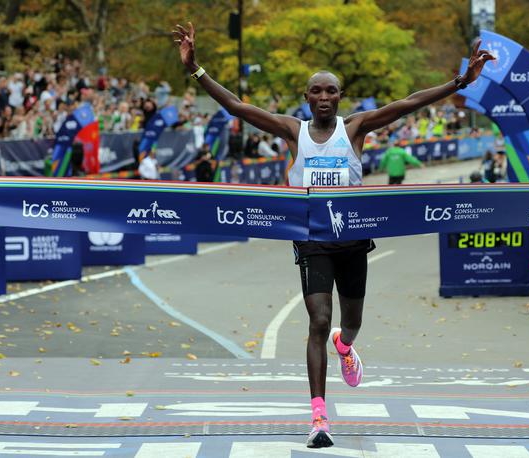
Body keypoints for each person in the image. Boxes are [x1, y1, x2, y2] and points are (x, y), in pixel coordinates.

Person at [173, 21, 493, 449]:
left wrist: (460, 81)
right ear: (306, 98)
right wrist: (195, 69)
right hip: (312, 240)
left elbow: (409, 103)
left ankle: (346, 345)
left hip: (354, 239)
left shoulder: (355, 128)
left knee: (350, 323)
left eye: (331, 91)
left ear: (340, 97)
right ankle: (319, 416)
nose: (324, 97)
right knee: (318, 320)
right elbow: (236, 107)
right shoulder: (293, 131)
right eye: (316, 91)